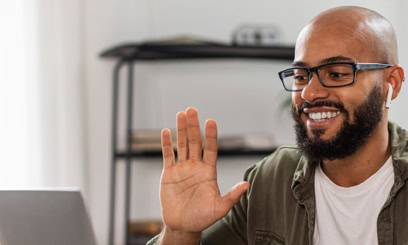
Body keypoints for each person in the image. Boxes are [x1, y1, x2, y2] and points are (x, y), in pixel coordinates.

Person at [148, 6, 406, 245]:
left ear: (390, 83)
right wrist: (180, 233)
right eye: (301, 76)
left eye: (336, 74)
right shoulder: (269, 181)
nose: (309, 93)